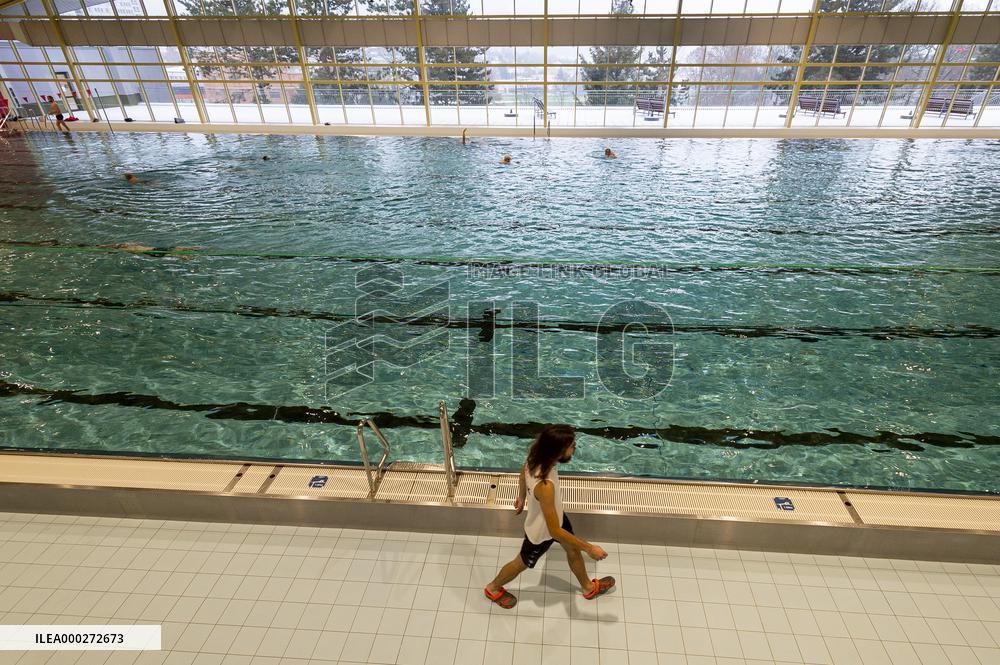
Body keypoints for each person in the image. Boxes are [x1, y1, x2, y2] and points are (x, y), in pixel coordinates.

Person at [484, 425, 615, 609]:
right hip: (542, 532)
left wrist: (521, 497)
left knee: (572, 549)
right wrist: (590, 548)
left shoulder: (535, 455)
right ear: (558, 451)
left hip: (556, 517)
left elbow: (522, 475)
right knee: (521, 562)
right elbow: (554, 531)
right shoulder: (545, 486)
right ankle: (493, 588)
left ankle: (587, 587)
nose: (575, 447)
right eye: (571, 445)